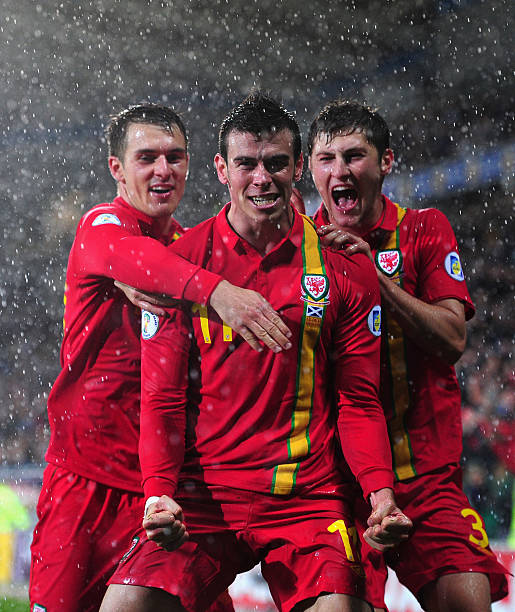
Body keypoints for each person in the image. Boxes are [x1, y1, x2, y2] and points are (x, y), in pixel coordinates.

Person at [100, 92, 412, 612]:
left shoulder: (344, 268)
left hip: (306, 498)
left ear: (298, 168)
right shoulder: (181, 264)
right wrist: (159, 492)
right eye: (246, 164)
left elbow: (359, 401)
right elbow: (163, 399)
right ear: (222, 169)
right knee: (124, 608)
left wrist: (381, 496)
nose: (262, 178)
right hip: (205, 496)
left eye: (276, 163)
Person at [29, 102, 293, 612]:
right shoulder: (102, 225)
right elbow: (137, 258)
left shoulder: (183, 247)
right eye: (147, 157)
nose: (163, 170)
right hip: (86, 480)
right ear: (117, 168)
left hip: (167, 486)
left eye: (175, 156)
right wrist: (216, 292)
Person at [307, 99, 509, 612]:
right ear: (310, 169)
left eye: (354, 155)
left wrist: (374, 278)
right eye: (327, 159)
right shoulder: (301, 245)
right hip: (335, 483)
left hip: (426, 476)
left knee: (468, 600)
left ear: (386, 162)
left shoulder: (424, 228)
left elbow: (452, 339)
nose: (340, 170)